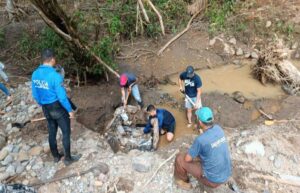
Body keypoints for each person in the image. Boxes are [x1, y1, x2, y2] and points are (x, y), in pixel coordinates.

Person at [31, 49, 81, 166]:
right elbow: (62, 97)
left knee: (52, 132)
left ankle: (56, 156)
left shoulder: (35, 74)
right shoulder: (55, 75)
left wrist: (43, 103)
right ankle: (68, 159)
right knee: (65, 132)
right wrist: (69, 110)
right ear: (52, 59)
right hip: (57, 107)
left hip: (46, 108)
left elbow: (35, 94)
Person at [174, 107, 232, 190]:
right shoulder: (218, 129)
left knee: (180, 159)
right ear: (212, 119)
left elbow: (187, 159)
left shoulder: (200, 140)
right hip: (226, 173)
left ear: (200, 122)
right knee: (204, 153)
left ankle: (183, 181)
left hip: (213, 180)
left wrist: (191, 154)